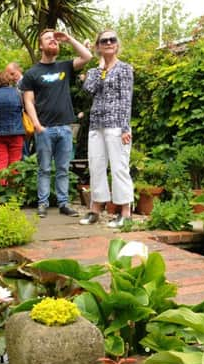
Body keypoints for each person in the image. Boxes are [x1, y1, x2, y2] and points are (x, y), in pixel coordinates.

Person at [19, 29, 92, 218]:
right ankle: (42, 204)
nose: (53, 40)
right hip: (44, 129)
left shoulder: (65, 67)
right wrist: (36, 125)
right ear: (41, 46)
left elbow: (87, 56)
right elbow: (28, 101)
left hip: (65, 128)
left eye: (54, 38)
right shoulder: (32, 73)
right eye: (47, 38)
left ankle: (63, 204)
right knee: (44, 168)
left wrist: (69, 39)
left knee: (62, 169)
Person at [78, 29, 134, 227]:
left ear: (117, 44)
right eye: (104, 41)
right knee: (96, 166)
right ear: (98, 46)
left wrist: (126, 128)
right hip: (96, 125)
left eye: (112, 40)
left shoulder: (125, 69)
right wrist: (101, 67)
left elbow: (127, 100)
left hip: (117, 126)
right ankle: (95, 209)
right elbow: (89, 89)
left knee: (119, 167)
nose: (109, 42)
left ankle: (125, 212)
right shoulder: (95, 72)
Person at [0, 71, 25, 185]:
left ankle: (2, 188)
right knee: (15, 162)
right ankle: (13, 188)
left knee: (1, 161)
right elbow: (22, 111)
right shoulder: (17, 94)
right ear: (10, 80)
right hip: (16, 132)